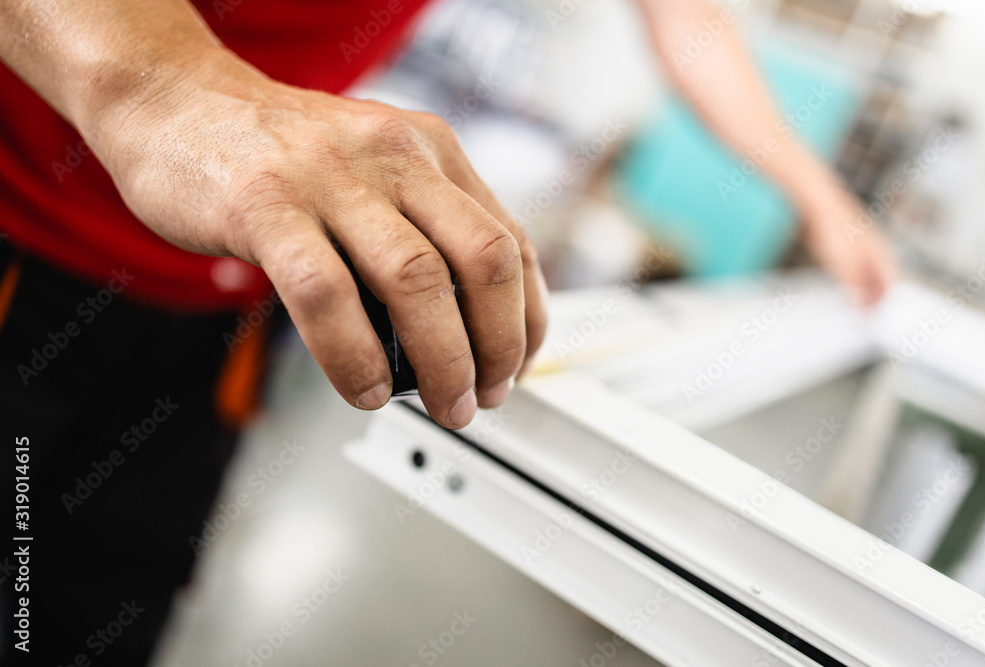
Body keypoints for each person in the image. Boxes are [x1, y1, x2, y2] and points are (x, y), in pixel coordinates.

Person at [0, 0, 893, 664]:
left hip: (229, 295)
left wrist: (822, 202)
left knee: (110, 592)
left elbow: (691, 24)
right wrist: (161, 85)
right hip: (27, 222)